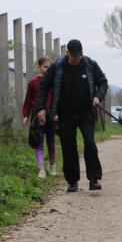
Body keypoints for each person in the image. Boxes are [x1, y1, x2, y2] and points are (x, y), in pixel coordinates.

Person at [36, 39, 108, 193]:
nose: (76, 59)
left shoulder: (90, 64)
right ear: (68, 52)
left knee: (89, 143)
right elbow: (44, 86)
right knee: (69, 146)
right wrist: (41, 108)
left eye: (78, 56)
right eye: (73, 56)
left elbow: (102, 82)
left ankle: (94, 179)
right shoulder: (57, 67)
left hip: (86, 112)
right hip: (65, 113)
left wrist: (98, 97)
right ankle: (72, 181)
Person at [23, 56, 56, 179]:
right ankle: (41, 169)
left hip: (51, 116)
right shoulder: (33, 83)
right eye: (45, 67)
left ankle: (52, 165)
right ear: (39, 67)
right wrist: (26, 115)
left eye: (49, 67)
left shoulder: (53, 83)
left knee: (51, 141)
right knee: (39, 142)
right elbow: (28, 100)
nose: (47, 69)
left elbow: (56, 100)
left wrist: (57, 113)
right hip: (37, 117)